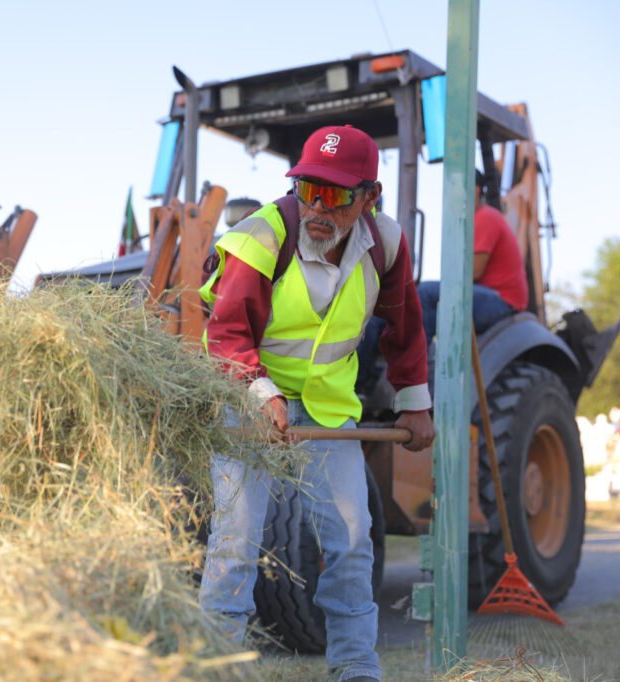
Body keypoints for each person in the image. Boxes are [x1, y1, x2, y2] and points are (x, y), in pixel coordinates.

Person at [197, 125, 434, 682]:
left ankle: (356, 668)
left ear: (369, 198)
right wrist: (262, 393)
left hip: (328, 409)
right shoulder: (262, 235)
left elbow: (406, 327)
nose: (318, 208)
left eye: (335, 195)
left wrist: (414, 403)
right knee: (235, 543)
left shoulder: (389, 245)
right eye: (308, 191)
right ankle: (214, 669)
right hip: (245, 395)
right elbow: (227, 334)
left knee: (351, 542)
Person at [416, 169, 528, 342]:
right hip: (492, 296)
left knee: (425, 292)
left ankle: (424, 359)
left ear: (475, 190)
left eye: (454, 187)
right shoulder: (479, 218)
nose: (449, 194)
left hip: (503, 302)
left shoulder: (485, 218)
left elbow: (474, 273)